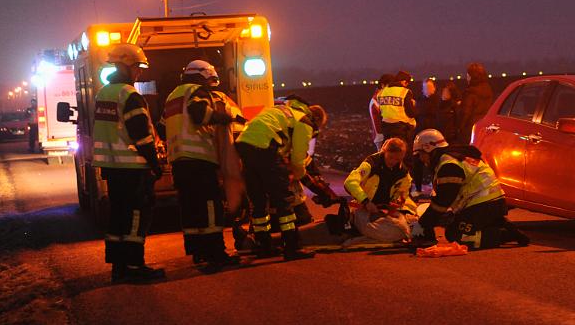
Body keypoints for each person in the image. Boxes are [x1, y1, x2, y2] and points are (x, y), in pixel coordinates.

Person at [161, 60, 246, 267]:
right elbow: (200, 114)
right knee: (210, 206)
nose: (210, 85)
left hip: (178, 161)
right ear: (203, 75)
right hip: (199, 159)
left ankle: (197, 251)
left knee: (190, 207)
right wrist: (222, 117)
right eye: (210, 80)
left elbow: (161, 126)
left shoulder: (173, 96)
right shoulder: (196, 90)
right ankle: (216, 253)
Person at [91, 44, 165, 282]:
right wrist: (155, 163)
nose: (139, 72)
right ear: (124, 65)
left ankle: (119, 267)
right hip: (133, 168)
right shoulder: (129, 95)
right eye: (136, 67)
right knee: (135, 216)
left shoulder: (103, 93)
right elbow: (141, 135)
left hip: (112, 168)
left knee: (118, 217)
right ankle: (134, 266)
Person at [234, 96, 327, 260]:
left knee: (258, 201)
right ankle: (291, 247)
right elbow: (298, 159)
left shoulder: (283, 110)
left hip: (244, 145)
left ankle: (264, 246)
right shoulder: (304, 121)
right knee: (284, 200)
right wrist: (297, 176)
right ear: (316, 119)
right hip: (265, 148)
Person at [411, 129, 530, 249]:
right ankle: (498, 223)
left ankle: (503, 235)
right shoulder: (452, 158)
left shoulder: (448, 165)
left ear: (429, 149)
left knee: (455, 234)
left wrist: (423, 223)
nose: (421, 159)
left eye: (420, 154)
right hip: (489, 203)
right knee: (451, 221)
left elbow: (443, 201)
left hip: (482, 204)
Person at [342, 137, 417, 247]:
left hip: (385, 210)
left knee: (413, 223)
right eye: (391, 157)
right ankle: (388, 235)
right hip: (364, 208)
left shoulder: (403, 172)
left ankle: (378, 235)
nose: (393, 162)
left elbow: (403, 192)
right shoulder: (370, 164)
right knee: (399, 230)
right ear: (384, 151)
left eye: (398, 159)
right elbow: (350, 182)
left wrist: (397, 202)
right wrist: (366, 202)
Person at [378, 70, 417, 166]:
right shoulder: (405, 92)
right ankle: (404, 178)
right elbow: (411, 113)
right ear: (404, 82)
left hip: (386, 128)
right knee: (404, 157)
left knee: (387, 155)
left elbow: (381, 110)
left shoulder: (383, 91)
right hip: (401, 129)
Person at [412, 78, 439, 196]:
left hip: (433, 136)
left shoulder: (438, 101)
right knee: (418, 162)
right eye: (425, 88)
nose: (427, 90)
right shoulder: (419, 101)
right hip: (420, 135)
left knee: (434, 162)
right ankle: (418, 188)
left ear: (434, 88)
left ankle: (434, 187)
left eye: (429, 87)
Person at [458, 62, 494, 145]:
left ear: (471, 76)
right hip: (484, 127)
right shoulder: (488, 89)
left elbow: (465, 113)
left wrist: (459, 128)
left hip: (470, 129)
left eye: (468, 75)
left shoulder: (470, 92)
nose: (467, 78)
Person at [369, 74, 393, 151]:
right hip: (381, 137)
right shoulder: (377, 100)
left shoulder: (378, 98)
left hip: (381, 136)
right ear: (383, 85)